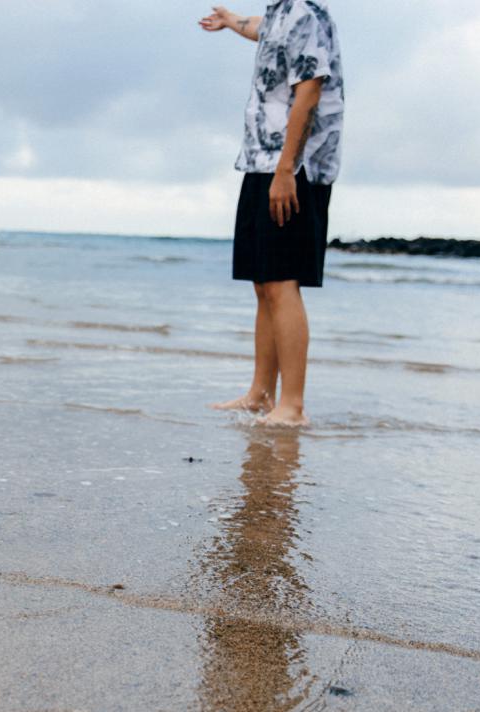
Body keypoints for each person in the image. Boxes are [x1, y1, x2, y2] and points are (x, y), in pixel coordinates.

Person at [201, 2, 344, 428]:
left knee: (283, 282)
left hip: (294, 165)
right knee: (263, 282)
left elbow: (311, 88)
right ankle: (261, 395)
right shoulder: (281, 13)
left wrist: (287, 169)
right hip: (261, 161)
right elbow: (263, 28)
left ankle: (292, 406)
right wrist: (232, 23)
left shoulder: (306, 13)